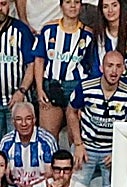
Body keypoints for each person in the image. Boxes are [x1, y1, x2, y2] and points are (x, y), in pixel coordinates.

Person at [67, 50, 127, 187]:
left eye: (118, 66)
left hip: (112, 150)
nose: (113, 71)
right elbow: (71, 110)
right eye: (109, 66)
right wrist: (77, 144)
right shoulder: (86, 86)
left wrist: (120, 150)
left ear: (124, 69)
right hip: (87, 147)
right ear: (102, 68)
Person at [34, 0, 96, 142]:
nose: (73, 6)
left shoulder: (88, 34)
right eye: (68, 2)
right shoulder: (48, 29)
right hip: (51, 85)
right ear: (61, 5)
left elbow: (90, 66)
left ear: (81, 5)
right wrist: (39, 89)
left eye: (76, 2)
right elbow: (39, 60)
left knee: (75, 139)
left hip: (75, 86)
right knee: (47, 138)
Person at [0, 0, 36, 139]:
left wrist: (22, 91)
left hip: (17, 102)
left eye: (3, 4)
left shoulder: (21, 29)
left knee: (16, 147)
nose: (0, 8)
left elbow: (31, 64)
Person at [1, 102, 55, 187]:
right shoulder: (6, 142)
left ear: (34, 120)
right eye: (19, 119)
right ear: (13, 121)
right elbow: (2, 173)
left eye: (28, 119)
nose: (24, 124)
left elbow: (52, 173)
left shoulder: (46, 141)